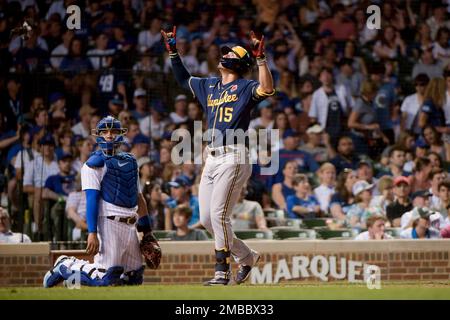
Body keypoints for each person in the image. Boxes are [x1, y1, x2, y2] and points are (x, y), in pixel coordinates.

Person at [161, 26, 274, 285]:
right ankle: (247, 257)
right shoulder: (210, 85)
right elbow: (183, 79)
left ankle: (221, 270)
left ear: (238, 62)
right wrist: (173, 52)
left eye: (230, 54)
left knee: (218, 216)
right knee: (205, 219)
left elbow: (267, 89)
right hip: (212, 157)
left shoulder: (245, 86)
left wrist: (260, 59)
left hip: (234, 155)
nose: (224, 56)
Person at [43, 116, 160, 288]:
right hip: (108, 223)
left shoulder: (131, 161)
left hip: (131, 224)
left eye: (113, 131)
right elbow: (92, 199)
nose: (109, 135)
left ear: (121, 134)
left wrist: (147, 231)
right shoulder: (92, 164)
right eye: (105, 131)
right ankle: (65, 265)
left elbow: (138, 197)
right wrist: (92, 232)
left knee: (134, 277)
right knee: (105, 278)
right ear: (97, 135)